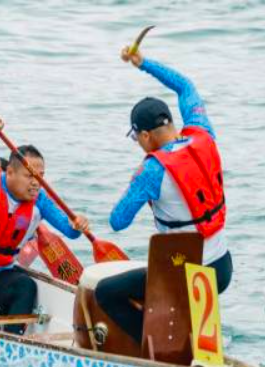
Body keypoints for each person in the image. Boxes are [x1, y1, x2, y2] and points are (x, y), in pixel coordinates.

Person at [94, 48, 232, 344]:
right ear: (169, 122)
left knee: (105, 292)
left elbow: (118, 221)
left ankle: (150, 345)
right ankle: (194, 343)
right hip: (221, 268)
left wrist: (140, 184)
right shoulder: (203, 134)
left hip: (184, 275)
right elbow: (186, 86)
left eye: (135, 139)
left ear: (144, 136)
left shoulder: (152, 171)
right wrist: (143, 63)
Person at [0, 116, 89, 331]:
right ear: (9, 172)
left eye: (40, 176)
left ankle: (15, 341)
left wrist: (79, 225)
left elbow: (69, 229)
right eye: (29, 175)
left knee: (25, 286)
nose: (35, 182)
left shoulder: (40, 201)